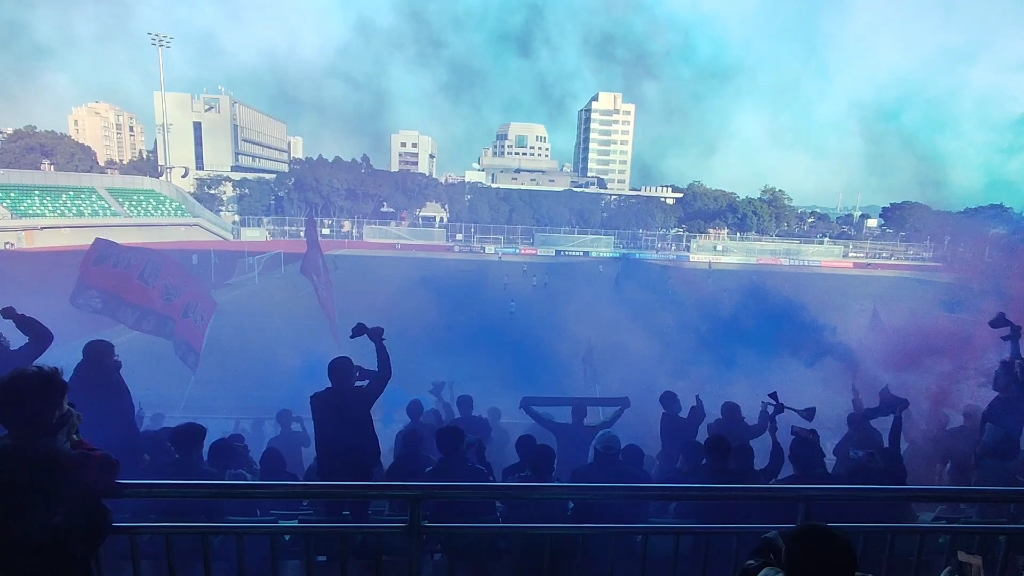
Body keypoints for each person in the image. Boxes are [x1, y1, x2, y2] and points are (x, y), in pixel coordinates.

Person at [0, 365, 119, 575]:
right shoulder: (70, 464)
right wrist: (73, 436)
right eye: (64, 405)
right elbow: (107, 465)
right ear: (52, 415)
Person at [310, 323, 391, 523]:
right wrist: (377, 343)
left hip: (330, 469)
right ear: (351, 375)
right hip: (359, 468)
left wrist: (353, 376)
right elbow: (384, 375)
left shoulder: (317, 400)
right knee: (361, 517)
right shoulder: (360, 398)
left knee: (333, 519)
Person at [423, 425, 498, 572]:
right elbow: (494, 498)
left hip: (444, 538)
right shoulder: (478, 473)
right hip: (477, 540)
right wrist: (482, 459)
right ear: (462, 444)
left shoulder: (431, 474)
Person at [67, 339, 142, 477]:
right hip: (114, 443)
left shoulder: (80, 374)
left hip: (91, 439)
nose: (115, 360)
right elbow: (121, 413)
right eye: (113, 356)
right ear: (105, 358)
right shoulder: (107, 378)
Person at [521, 398, 630, 481]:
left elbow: (543, 420)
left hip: (563, 474)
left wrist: (527, 409)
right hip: (581, 474)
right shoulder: (589, 431)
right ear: (585, 414)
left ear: (571, 413)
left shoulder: (562, 430)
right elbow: (608, 422)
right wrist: (621, 410)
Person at [655, 391, 706, 480]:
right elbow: (690, 428)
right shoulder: (669, 421)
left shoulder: (670, 419)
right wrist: (697, 410)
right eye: (676, 402)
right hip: (673, 462)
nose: (678, 404)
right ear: (669, 404)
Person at [0, 306, 54, 378]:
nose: (6, 339)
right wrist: (17, 317)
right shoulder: (14, 361)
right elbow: (44, 337)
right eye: (2, 337)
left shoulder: (13, 360)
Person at [731, 418, 785, 484]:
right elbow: (776, 462)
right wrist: (773, 436)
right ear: (752, 457)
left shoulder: (723, 479)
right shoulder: (759, 478)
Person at [941, 404, 982, 487]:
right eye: (965, 414)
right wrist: (938, 475)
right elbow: (943, 457)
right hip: (956, 480)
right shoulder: (953, 434)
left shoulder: (986, 435)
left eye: (969, 415)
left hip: (981, 480)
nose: (966, 417)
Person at [706, 401, 776, 447]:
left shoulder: (714, 427)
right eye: (739, 412)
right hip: (738, 463)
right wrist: (764, 410)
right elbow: (760, 428)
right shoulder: (739, 429)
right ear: (732, 415)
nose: (741, 415)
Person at [267, 408, 312, 478]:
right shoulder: (297, 436)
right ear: (291, 421)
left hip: (280, 476)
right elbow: (307, 443)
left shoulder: (273, 441)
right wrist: (302, 425)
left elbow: (268, 461)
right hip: (297, 474)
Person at [486, 406, 511, 471]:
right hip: (486, 459)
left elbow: (505, 443)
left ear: (498, 417)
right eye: (491, 415)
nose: (492, 418)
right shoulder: (483, 430)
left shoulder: (503, 432)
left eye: (494, 415)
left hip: (499, 460)